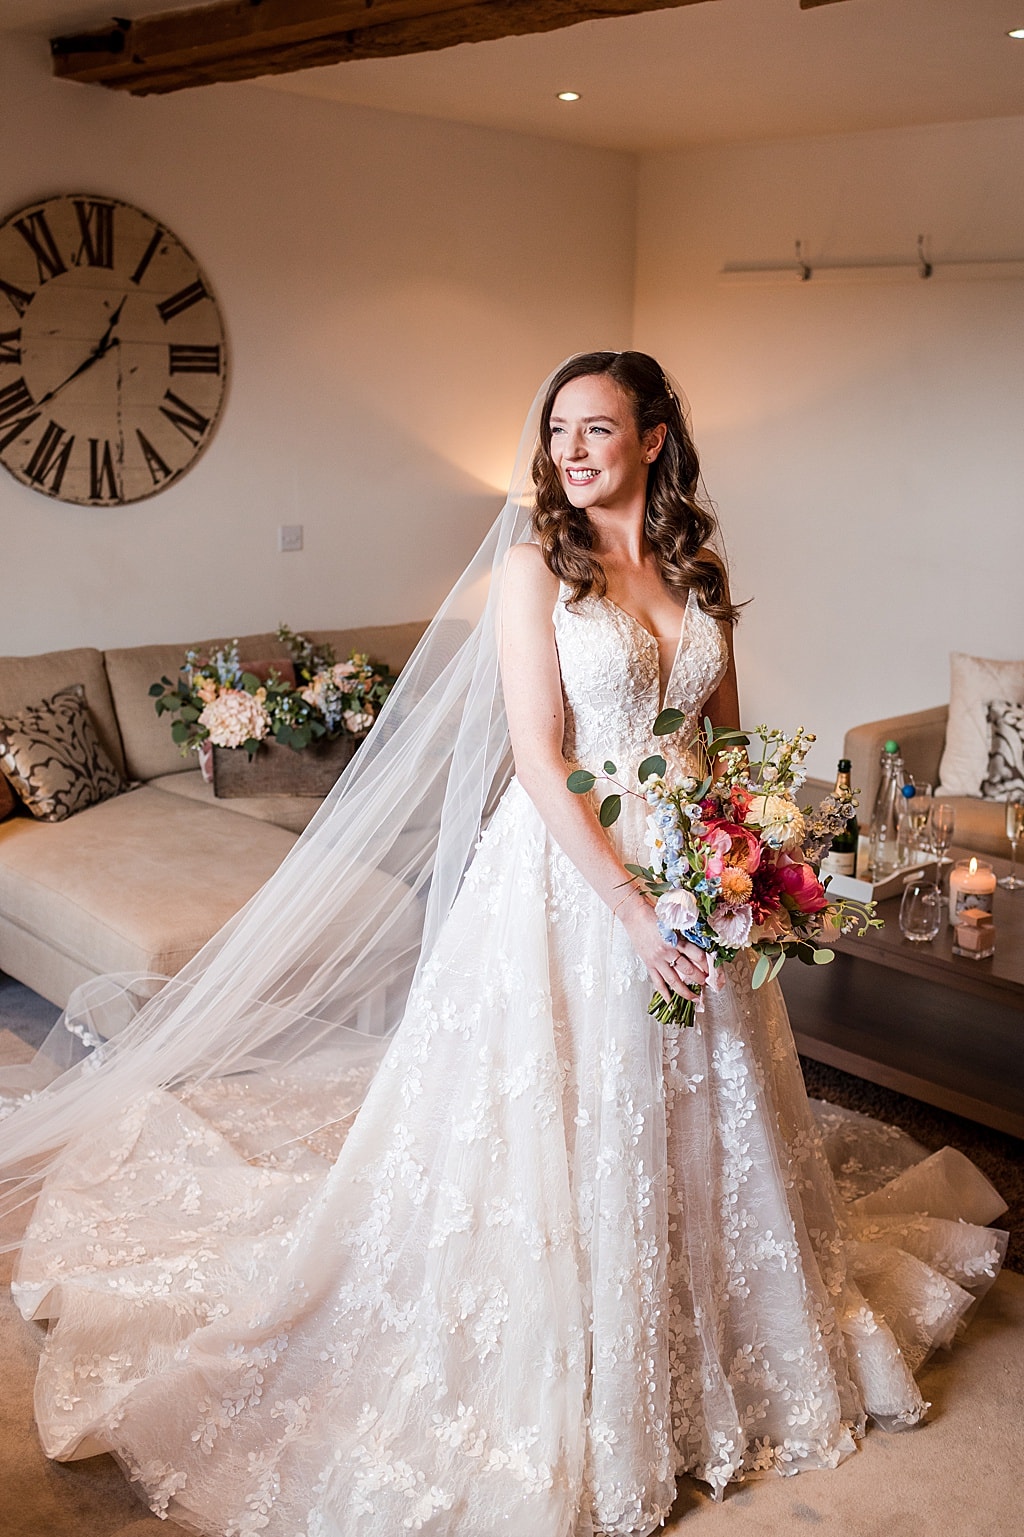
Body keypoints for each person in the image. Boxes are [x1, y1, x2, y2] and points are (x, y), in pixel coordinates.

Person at [0, 352, 1007, 1536]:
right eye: (560, 431)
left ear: (656, 436)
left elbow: (723, 743)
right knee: (569, 1100)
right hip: (571, 874)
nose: (573, 450)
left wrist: (758, 864)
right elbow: (538, 757)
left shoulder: (698, 567)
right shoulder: (539, 570)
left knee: (701, 1099)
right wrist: (633, 908)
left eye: (598, 428)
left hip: (696, 866)